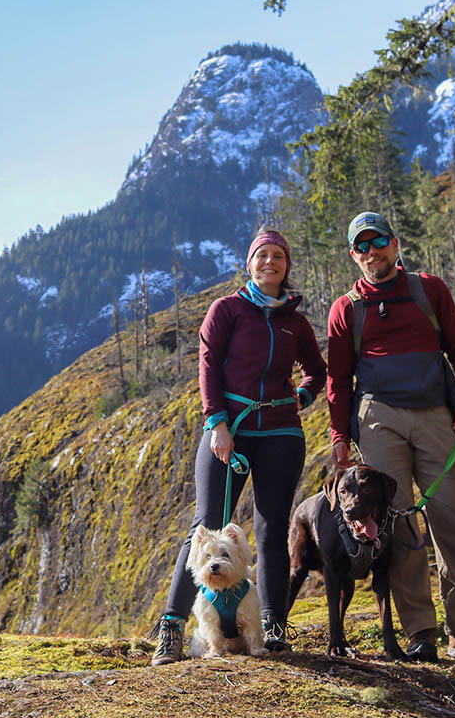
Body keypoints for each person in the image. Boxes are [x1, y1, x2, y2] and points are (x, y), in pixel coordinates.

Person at [326, 211, 455, 666]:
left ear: (395, 243)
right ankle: (420, 631)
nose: (372, 253)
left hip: (435, 415)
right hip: (377, 416)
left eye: (379, 242)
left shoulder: (430, 289)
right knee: (397, 523)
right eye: (362, 247)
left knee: (452, 518)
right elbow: (338, 378)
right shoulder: (346, 308)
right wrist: (339, 437)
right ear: (353, 256)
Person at [151, 227, 327, 665]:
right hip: (230, 428)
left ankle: (272, 626)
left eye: (278, 257)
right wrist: (218, 425)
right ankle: (171, 629)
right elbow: (208, 367)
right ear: (249, 263)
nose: (270, 262)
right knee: (205, 526)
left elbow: (317, 373)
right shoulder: (226, 310)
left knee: (271, 532)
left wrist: (299, 399)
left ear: (286, 266)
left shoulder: (295, 322)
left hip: (282, 435)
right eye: (262, 255)